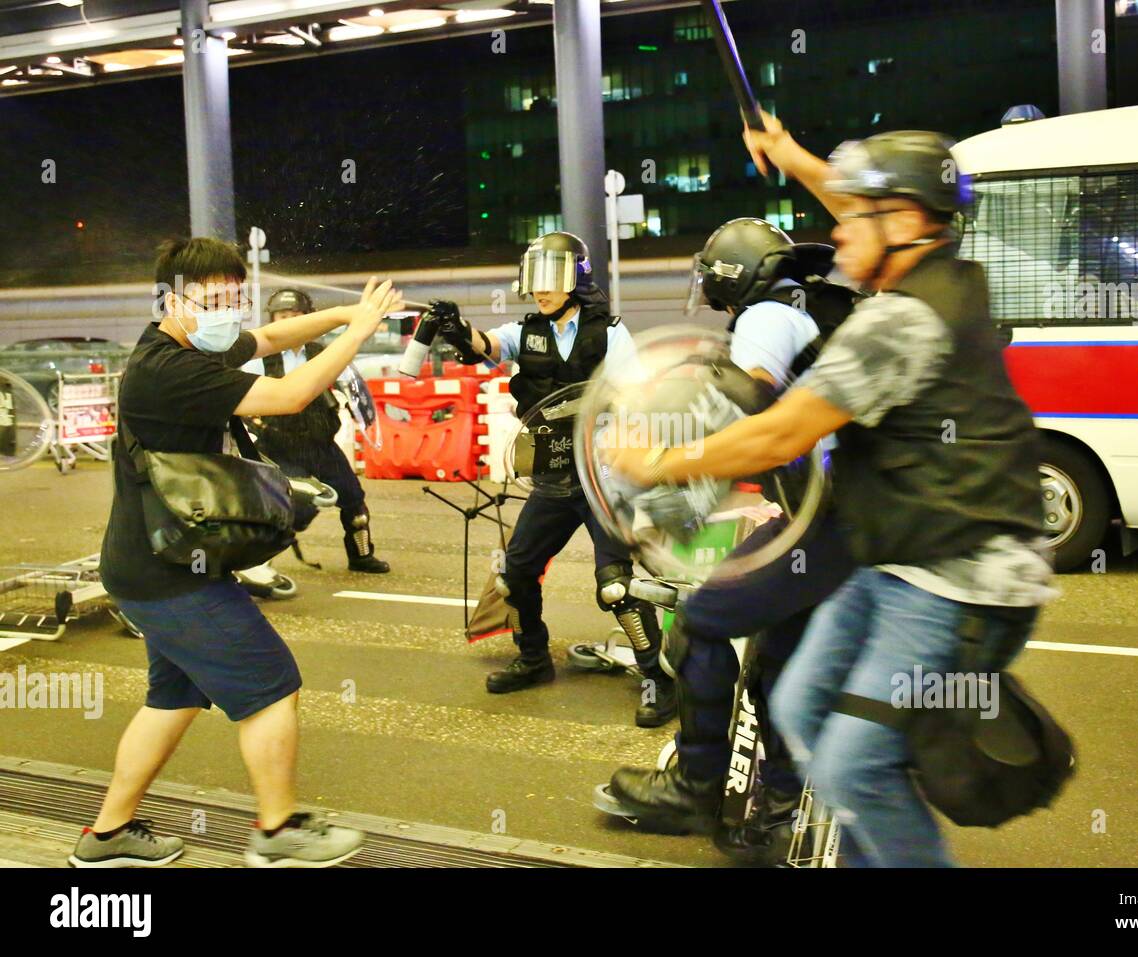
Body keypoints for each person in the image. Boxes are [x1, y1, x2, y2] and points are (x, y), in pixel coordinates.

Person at [607, 115, 1056, 867]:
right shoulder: (934, 272)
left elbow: (779, 433)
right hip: (892, 555)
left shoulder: (902, 323)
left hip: (958, 580)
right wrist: (789, 156)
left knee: (855, 760)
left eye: (854, 216)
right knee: (801, 709)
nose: (837, 231)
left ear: (906, 221)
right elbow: (865, 213)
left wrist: (661, 460)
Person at [74, 238, 401, 868]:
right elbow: (288, 396)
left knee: (173, 698)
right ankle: (276, 834)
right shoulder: (168, 371)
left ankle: (107, 837)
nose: (228, 310)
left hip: (151, 561)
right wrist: (356, 334)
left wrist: (339, 314)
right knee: (272, 687)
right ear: (171, 300)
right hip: (169, 572)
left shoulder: (186, 346)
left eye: (233, 296)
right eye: (213, 299)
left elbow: (271, 342)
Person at [602, 217, 860, 864]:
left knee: (701, 620)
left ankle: (694, 785)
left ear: (729, 275)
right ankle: (774, 811)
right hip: (830, 518)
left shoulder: (769, 317)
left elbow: (746, 394)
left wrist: (660, 454)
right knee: (774, 666)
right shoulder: (807, 311)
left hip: (825, 523)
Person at [431, 231, 676, 727]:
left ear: (576, 278)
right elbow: (489, 346)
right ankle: (534, 658)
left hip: (601, 475)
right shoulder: (528, 331)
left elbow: (637, 401)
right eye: (535, 278)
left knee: (616, 588)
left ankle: (658, 679)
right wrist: (459, 330)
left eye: (551, 278)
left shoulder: (610, 333)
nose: (540, 290)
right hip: (551, 473)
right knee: (515, 575)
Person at [242, 287, 389, 573]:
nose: (289, 321)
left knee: (354, 501)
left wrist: (367, 422)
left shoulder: (326, 353)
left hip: (321, 445)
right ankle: (254, 566)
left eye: (296, 316)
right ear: (272, 319)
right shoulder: (257, 360)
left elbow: (353, 389)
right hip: (278, 447)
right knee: (289, 511)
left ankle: (361, 557)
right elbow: (239, 400)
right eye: (282, 316)